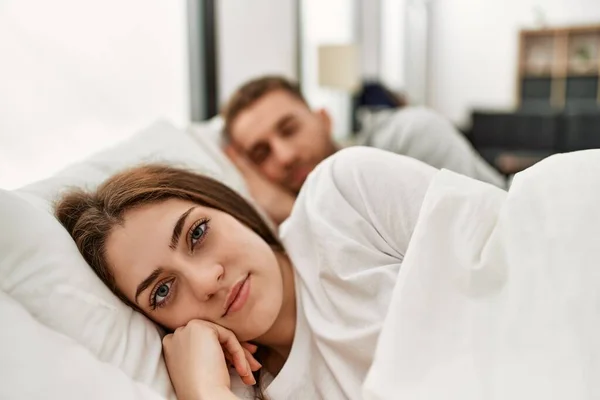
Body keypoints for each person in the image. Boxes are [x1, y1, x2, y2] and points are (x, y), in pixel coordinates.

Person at [55, 146, 436, 400]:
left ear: (226, 207)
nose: (206, 282)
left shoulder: (345, 199)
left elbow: (495, 246)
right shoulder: (237, 389)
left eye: (197, 233)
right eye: (162, 292)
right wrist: (206, 393)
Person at [222, 76, 506, 225]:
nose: (284, 156)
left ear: (324, 118)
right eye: (262, 154)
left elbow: (472, 238)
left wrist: (294, 212)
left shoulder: (409, 135)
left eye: (289, 129)